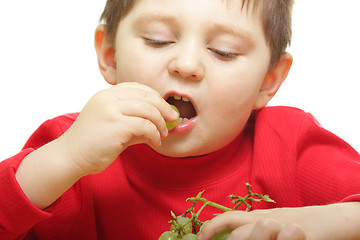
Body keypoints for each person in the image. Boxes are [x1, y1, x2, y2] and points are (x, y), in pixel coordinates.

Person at [1, 0, 360, 239]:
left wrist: (308, 223)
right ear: (109, 54)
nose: (186, 65)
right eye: (158, 41)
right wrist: (66, 158)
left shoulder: (290, 145)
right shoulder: (71, 145)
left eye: (224, 51)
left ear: (269, 80)